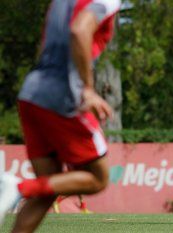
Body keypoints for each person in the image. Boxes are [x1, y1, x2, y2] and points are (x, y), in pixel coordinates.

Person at [0, 0, 121, 232]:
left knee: (46, 191)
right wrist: (87, 88)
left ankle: (21, 189)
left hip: (32, 93)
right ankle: (18, 187)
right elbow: (79, 30)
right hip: (64, 97)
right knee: (98, 177)